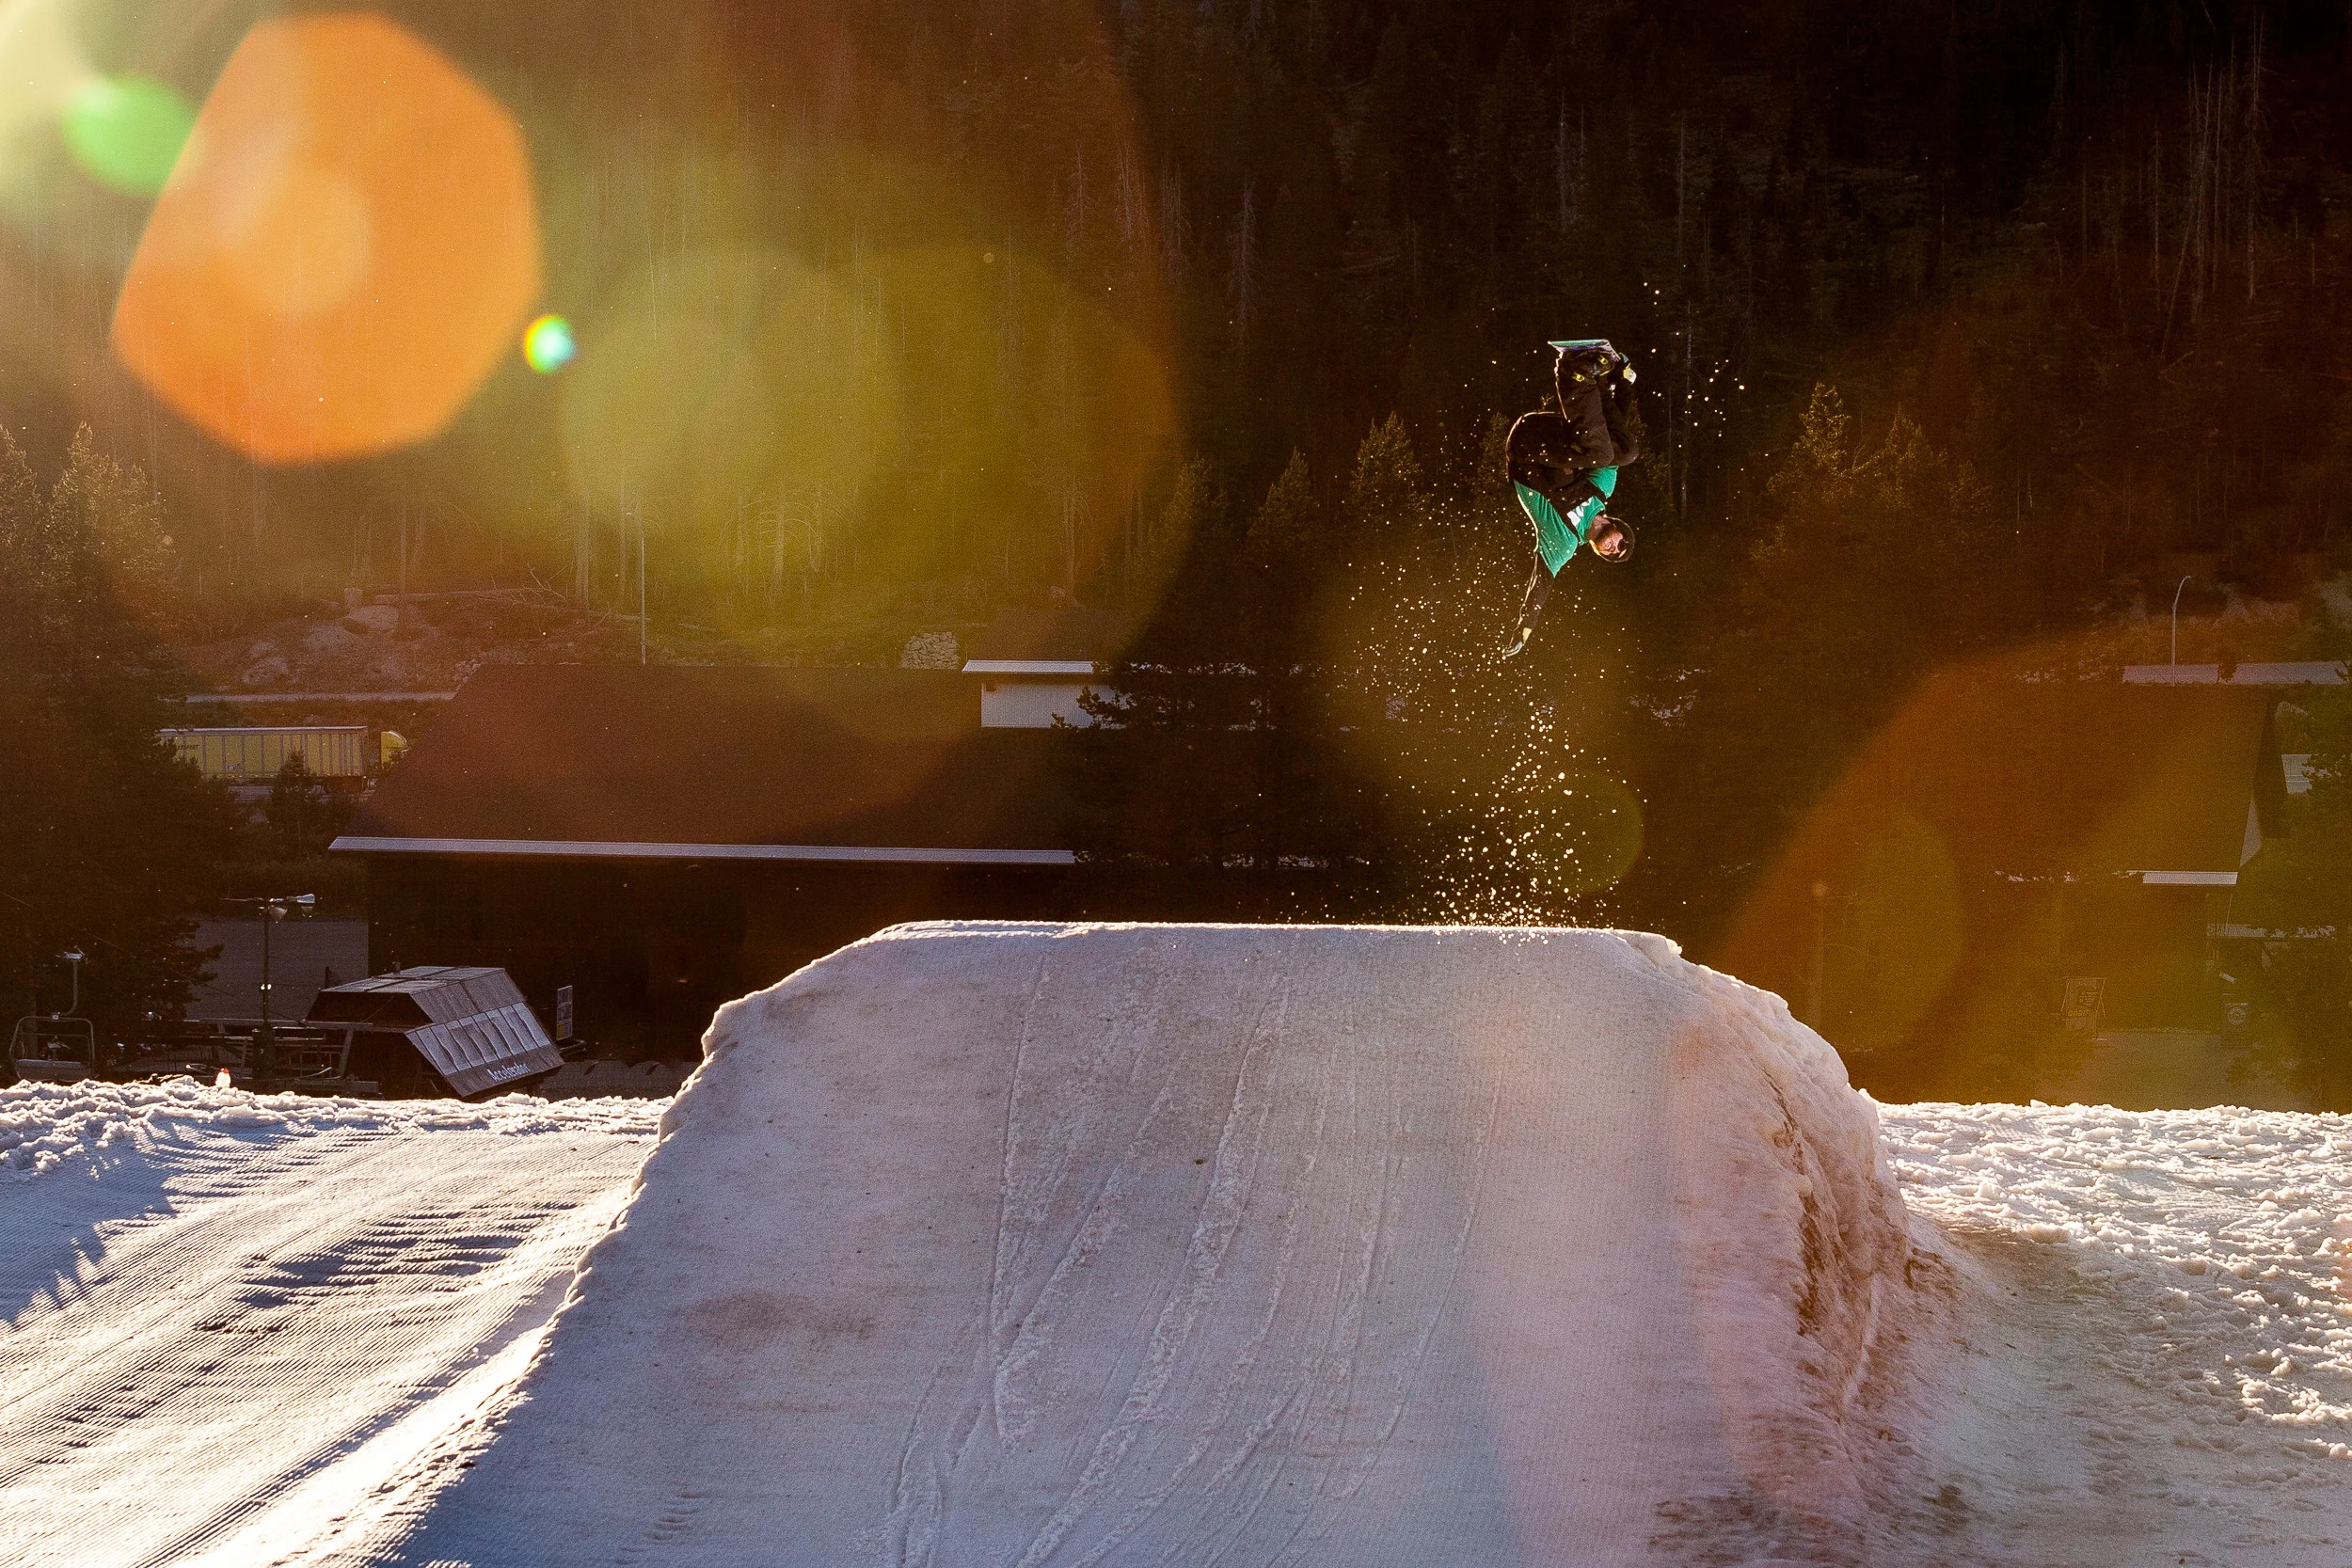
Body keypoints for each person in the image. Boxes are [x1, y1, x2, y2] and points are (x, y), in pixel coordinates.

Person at [1502, 338, 1640, 658]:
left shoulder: (1563, 541)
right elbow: (1617, 437)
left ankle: (1573, 370)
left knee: (1602, 452)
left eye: (1612, 554)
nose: (1614, 547)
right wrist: (1623, 386)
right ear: (1619, 528)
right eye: (1621, 543)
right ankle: (1597, 377)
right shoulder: (1601, 491)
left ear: (1598, 551)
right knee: (1627, 452)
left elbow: (1540, 584)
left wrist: (1525, 627)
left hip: (1526, 453)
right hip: (1548, 431)